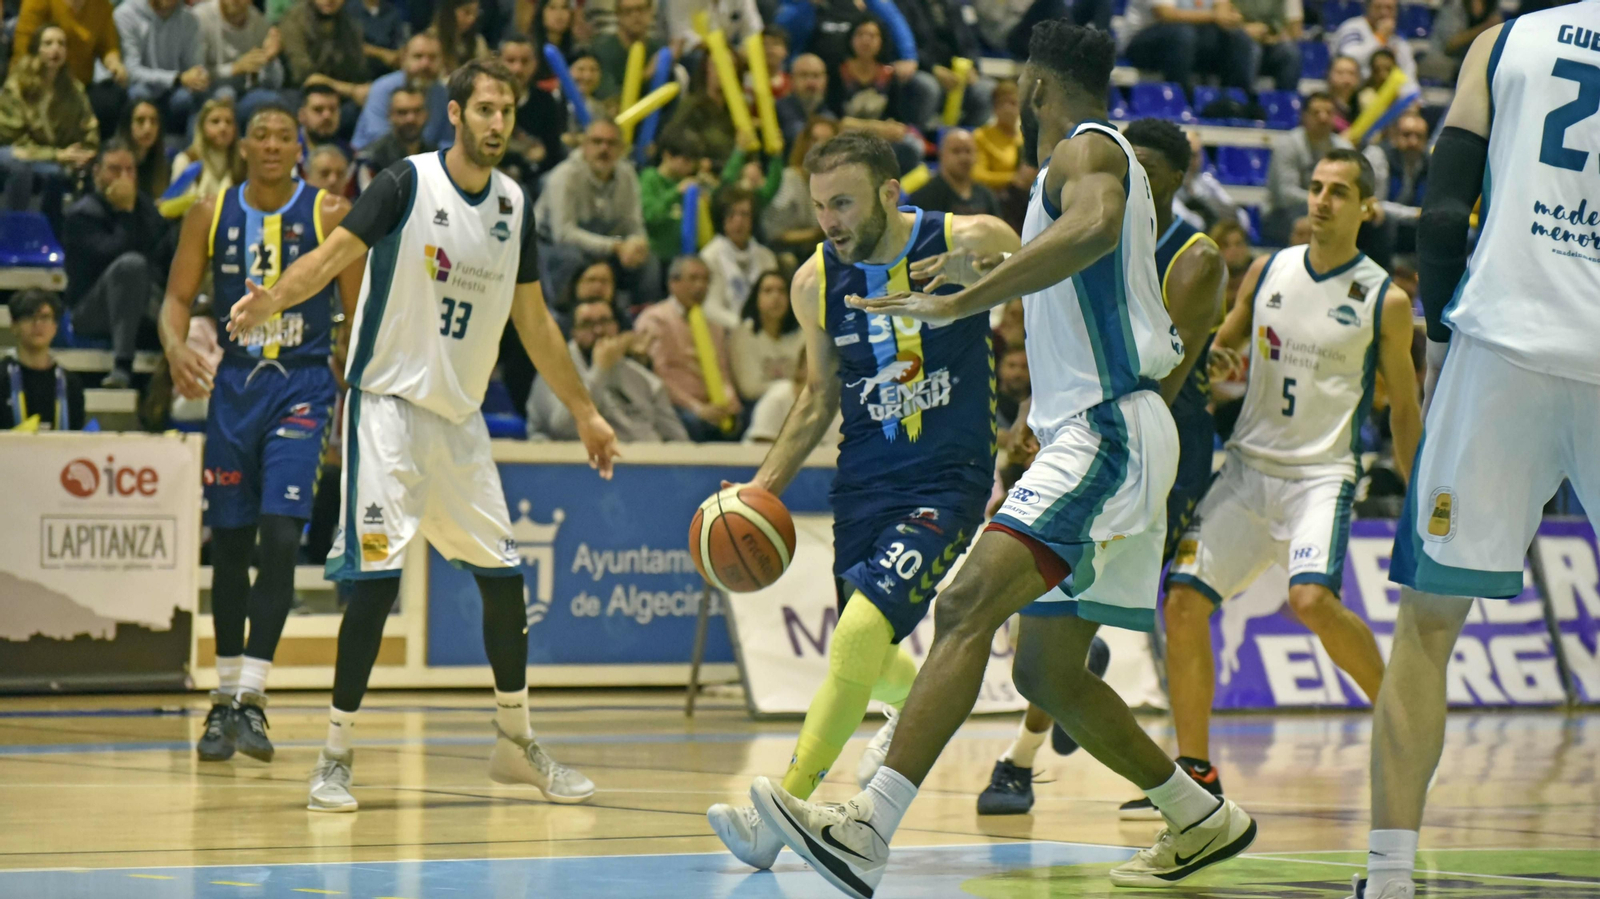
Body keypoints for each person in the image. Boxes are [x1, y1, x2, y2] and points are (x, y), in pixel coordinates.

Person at [748, 25, 1256, 897]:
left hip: (1108, 429)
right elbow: (1078, 285)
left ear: (1031, 87)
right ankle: (1198, 814)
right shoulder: (1095, 158)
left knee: (964, 603)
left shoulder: (1085, 153)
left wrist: (968, 300)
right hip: (1095, 428)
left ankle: (868, 824)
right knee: (1044, 671)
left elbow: (1093, 230)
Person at [223, 57, 620, 812]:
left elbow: (533, 321)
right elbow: (334, 255)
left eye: (507, 110)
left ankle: (516, 740)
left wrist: (585, 410)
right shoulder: (406, 182)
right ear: (456, 112)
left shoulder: (513, 203)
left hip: (459, 421)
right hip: (386, 410)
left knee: (504, 581)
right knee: (375, 583)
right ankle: (335, 754)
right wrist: (273, 296)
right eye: (486, 110)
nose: (498, 123)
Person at [704, 130, 1018, 872]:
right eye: (818, 206)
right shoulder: (816, 280)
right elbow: (817, 398)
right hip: (864, 483)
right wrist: (759, 490)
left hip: (949, 478)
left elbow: (1028, 260)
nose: (829, 220)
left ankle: (778, 812)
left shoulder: (963, 234)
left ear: (889, 192)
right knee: (869, 656)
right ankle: (924, 703)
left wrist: (983, 271)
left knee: (852, 641)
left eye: (842, 202)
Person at [1357, 9, 1600, 896]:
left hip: (1504, 346)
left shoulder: (1505, 39)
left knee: (1426, 626)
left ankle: (1387, 879)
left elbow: (1446, 200)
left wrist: (1441, 329)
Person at [1148, 148, 1420, 821]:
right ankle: (1196, 774)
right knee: (1181, 603)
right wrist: (1220, 353)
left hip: (1320, 476)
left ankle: (1405, 721)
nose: (1322, 201)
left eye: (1340, 192)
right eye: (1317, 187)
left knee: (1310, 600)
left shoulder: (1386, 298)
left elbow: (1405, 409)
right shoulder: (1269, 269)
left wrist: (1419, 502)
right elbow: (1221, 344)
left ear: (1367, 208)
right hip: (1247, 469)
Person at [977, 117, 1228, 818]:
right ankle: (1172, 796)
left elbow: (1157, 384)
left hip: (1149, 437)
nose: (1125, 178)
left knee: (1068, 618)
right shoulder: (1097, 226)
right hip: (1079, 427)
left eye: (1142, 168)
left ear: (1176, 179)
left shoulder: (1193, 255)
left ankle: (1030, 758)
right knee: (1049, 624)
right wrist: (1035, 415)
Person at [159, 101, 364, 765]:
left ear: (299, 147)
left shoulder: (331, 211)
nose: (273, 145)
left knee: (281, 535)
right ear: (243, 145)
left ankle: (253, 695)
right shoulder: (208, 211)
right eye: (262, 135)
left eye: (285, 136)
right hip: (235, 390)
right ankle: (222, 701)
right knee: (232, 543)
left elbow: (359, 312)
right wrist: (173, 348)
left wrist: (358, 382)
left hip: (302, 387)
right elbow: (175, 301)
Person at [63, 139, 169, 388]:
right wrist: (124, 212)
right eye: (115, 169)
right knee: (131, 267)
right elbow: (110, 256)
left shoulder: (144, 207)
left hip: (142, 307)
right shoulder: (81, 215)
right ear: (97, 172)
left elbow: (163, 254)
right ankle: (123, 364)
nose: (124, 177)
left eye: (130, 170)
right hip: (91, 311)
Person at [534, 118, 659, 310]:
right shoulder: (564, 176)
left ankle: (637, 318)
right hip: (550, 244)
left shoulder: (627, 175)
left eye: (611, 143)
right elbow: (563, 234)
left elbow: (634, 224)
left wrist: (637, 244)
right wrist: (616, 247)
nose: (604, 149)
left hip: (604, 241)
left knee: (648, 262)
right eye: (597, 142)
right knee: (572, 259)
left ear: (622, 149)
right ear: (584, 146)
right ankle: (565, 319)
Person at [526, 295, 689, 442]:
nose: (599, 331)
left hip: (641, 461)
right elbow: (565, 427)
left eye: (605, 321)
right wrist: (600, 370)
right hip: (574, 464)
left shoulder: (641, 377)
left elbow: (678, 438)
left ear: (616, 327)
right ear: (574, 333)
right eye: (587, 324)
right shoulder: (553, 370)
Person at [633, 255, 743, 441]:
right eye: (693, 278)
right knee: (693, 423)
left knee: (742, 417)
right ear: (673, 283)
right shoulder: (655, 320)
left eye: (705, 280)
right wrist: (698, 409)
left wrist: (729, 402)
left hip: (714, 404)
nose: (700, 286)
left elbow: (723, 372)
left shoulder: (715, 327)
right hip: (677, 406)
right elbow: (658, 378)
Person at [0, 24, 100, 228]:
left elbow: (89, 129)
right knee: (22, 168)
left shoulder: (74, 90)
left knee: (92, 168)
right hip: (16, 154)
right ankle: (13, 231)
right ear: (37, 49)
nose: (56, 49)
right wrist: (57, 155)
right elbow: (14, 141)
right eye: (48, 43)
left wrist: (85, 153)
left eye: (61, 44)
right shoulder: (16, 87)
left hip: (58, 158)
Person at [1265, 92, 1353, 246]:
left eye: (1329, 113)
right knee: (1307, 223)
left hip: (1329, 210)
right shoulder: (1288, 145)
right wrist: (1324, 202)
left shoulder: (1345, 149)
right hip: (1283, 214)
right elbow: (1286, 195)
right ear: (1304, 117)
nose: (1323, 118)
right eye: (1316, 113)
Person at [1120, 0, 1257, 97]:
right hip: (1142, 43)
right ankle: (1181, 97)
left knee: (1238, 37)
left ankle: (1235, 100)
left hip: (1189, 42)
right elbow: (1166, 14)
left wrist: (1227, 17)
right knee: (1182, 34)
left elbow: (1223, 8)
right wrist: (1215, 16)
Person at [114, 0, 208, 133]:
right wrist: (177, 78)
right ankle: (138, 150)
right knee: (140, 96)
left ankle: (192, 151)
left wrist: (199, 77)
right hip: (140, 86)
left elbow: (195, 66)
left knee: (195, 97)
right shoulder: (126, 14)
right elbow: (132, 71)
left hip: (174, 91)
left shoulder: (189, 18)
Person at [1, 290, 87, 431]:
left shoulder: (71, 384)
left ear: (55, 327)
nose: (38, 324)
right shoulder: (2, 377)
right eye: (29, 317)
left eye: (45, 317)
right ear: (14, 326)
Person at [352, 32, 451, 152]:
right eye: (418, 56)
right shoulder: (382, 88)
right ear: (404, 59)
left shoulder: (442, 94)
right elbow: (378, 138)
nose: (425, 64)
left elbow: (448, 141)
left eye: (433, 58)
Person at [701, 187, 779, 327]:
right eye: (731, 214)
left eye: (745, 214)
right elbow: (711, 308)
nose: (738, 221)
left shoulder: (767, 257)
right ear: (721, 217)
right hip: (726, 332)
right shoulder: (709, 257)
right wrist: (744, 327)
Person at [194, 0, 286, 119]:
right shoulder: (200, 17)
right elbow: (194, 74)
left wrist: (270, 60)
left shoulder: (259, 23)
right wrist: (235, 68)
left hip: (244, 95)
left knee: (275, 100)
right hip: (206, 96)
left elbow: (274, 84)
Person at [762, 116, 837, 261]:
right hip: (786, 254)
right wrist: (816, 234)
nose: (820, 147)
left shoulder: (836, 185)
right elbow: (775, 234)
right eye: (814, 140)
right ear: (805, 144)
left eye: (827, 142)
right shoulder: (788, 179)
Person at [728, 269, 802, 404]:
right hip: (757, 406)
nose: (776, 297)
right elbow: (749, 389)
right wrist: (790, 389)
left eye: (782, 291)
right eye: (768, 291)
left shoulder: (802, 333)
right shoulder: (743, 335)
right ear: (756, 298)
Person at [280, 0, 372, 108]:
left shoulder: (350, 24)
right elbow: (305, 77)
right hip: (301, 93)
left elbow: (359, 72)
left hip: (342, 94)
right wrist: (352, 90)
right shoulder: (294, 20)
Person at [164, 97, 246, 217]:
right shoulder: (186, 160)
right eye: (215, 121)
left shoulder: (243, 162)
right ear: (202, 127)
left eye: (229, 122)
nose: (223, 128)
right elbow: (178, 209)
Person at [640, 129, 709, 266]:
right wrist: (676, 192)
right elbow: (649, 216)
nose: (689, 167)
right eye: (686, 160)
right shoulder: (649, 178)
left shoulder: (689, 184)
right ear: (667, 155)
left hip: (683, 258)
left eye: (693, 162)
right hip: (655, 256)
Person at [1363, 110, 1428, 256]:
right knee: (1385, 222)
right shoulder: (1378, 156)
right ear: (1394, 136)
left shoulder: (1429, 162)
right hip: (1376, 226)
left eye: (1419, 136)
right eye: (1407, 135)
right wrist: (1413, 214)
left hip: (1412, 225)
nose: (1413, 142)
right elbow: (1374, 205)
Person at [909, 129, 1001, 218]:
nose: (963, 157)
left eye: (968, 151)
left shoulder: (986, 196)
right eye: (956, 151)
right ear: (942, 155)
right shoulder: (925, 197)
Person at [357, 85, 433, 189]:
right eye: (402, 112)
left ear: (426, 114)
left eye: (417, 111)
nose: (410, 119)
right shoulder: (371, 158)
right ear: (390, 115)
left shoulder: (435, 156)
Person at [592, 0, 663, 100]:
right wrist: (645, 75)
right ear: (618, 15)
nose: (636, 15)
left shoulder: (658, 48)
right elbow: (610, 99)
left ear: (650, 11)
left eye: (641, 9)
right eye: (628, 11)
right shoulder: (602, 50)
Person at [1330, 0, 1416, 81]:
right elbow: (1349, 60)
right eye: (1378, 7)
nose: (1384, 13)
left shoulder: (1399, 40)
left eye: (1389, 8)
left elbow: (1408, 72)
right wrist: (1380, 37)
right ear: (1367, 8)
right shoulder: (1353, 28)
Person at [1424, 0, 1501, 84]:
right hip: (1444, 61)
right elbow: (1450, 44)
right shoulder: (1454, 4)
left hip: (1473, 63)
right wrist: (1484, 27)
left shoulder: (1493, 5)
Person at [1237, 0, 1303, 92]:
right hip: (1237, 41)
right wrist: (1244, 30)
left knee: (1290, 52)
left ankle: (1284, 101)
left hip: (1271, 43)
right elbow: (1223, 15)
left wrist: (1274, 38)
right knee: (1252, 49)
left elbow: (1295, 32)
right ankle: (1242, 97)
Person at [776, 53, 833, 153]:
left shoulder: (831, 116)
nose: (811, 82)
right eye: (803, 75)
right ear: (791, 79)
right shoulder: (777, 110)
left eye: (816, 76)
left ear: (826, 80)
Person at [119, 99, 170, 201]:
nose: (148, 128)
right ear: (128, 125)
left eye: (153, 121)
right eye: (140, 121)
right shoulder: (114, 162)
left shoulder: (162, 163)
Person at [345, 0, 408, 80]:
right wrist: (381, 53)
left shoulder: (392, 11)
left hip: (388, 70)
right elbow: (349, 44)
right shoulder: (349, 10)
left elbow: (400, 40)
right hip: (360, 69)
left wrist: (398, 55)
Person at [431, 0, 490, 71]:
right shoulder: (431, 39)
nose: (472, 19)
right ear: (450, 11)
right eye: (467, 12)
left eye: (475, 13)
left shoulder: (478, 41)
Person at [1327, 55, 1363, 129]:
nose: (1346, 79)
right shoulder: (1321, 105)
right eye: (1340, 73)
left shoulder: (1363, 106)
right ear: (1329, 75)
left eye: (1351, 73)